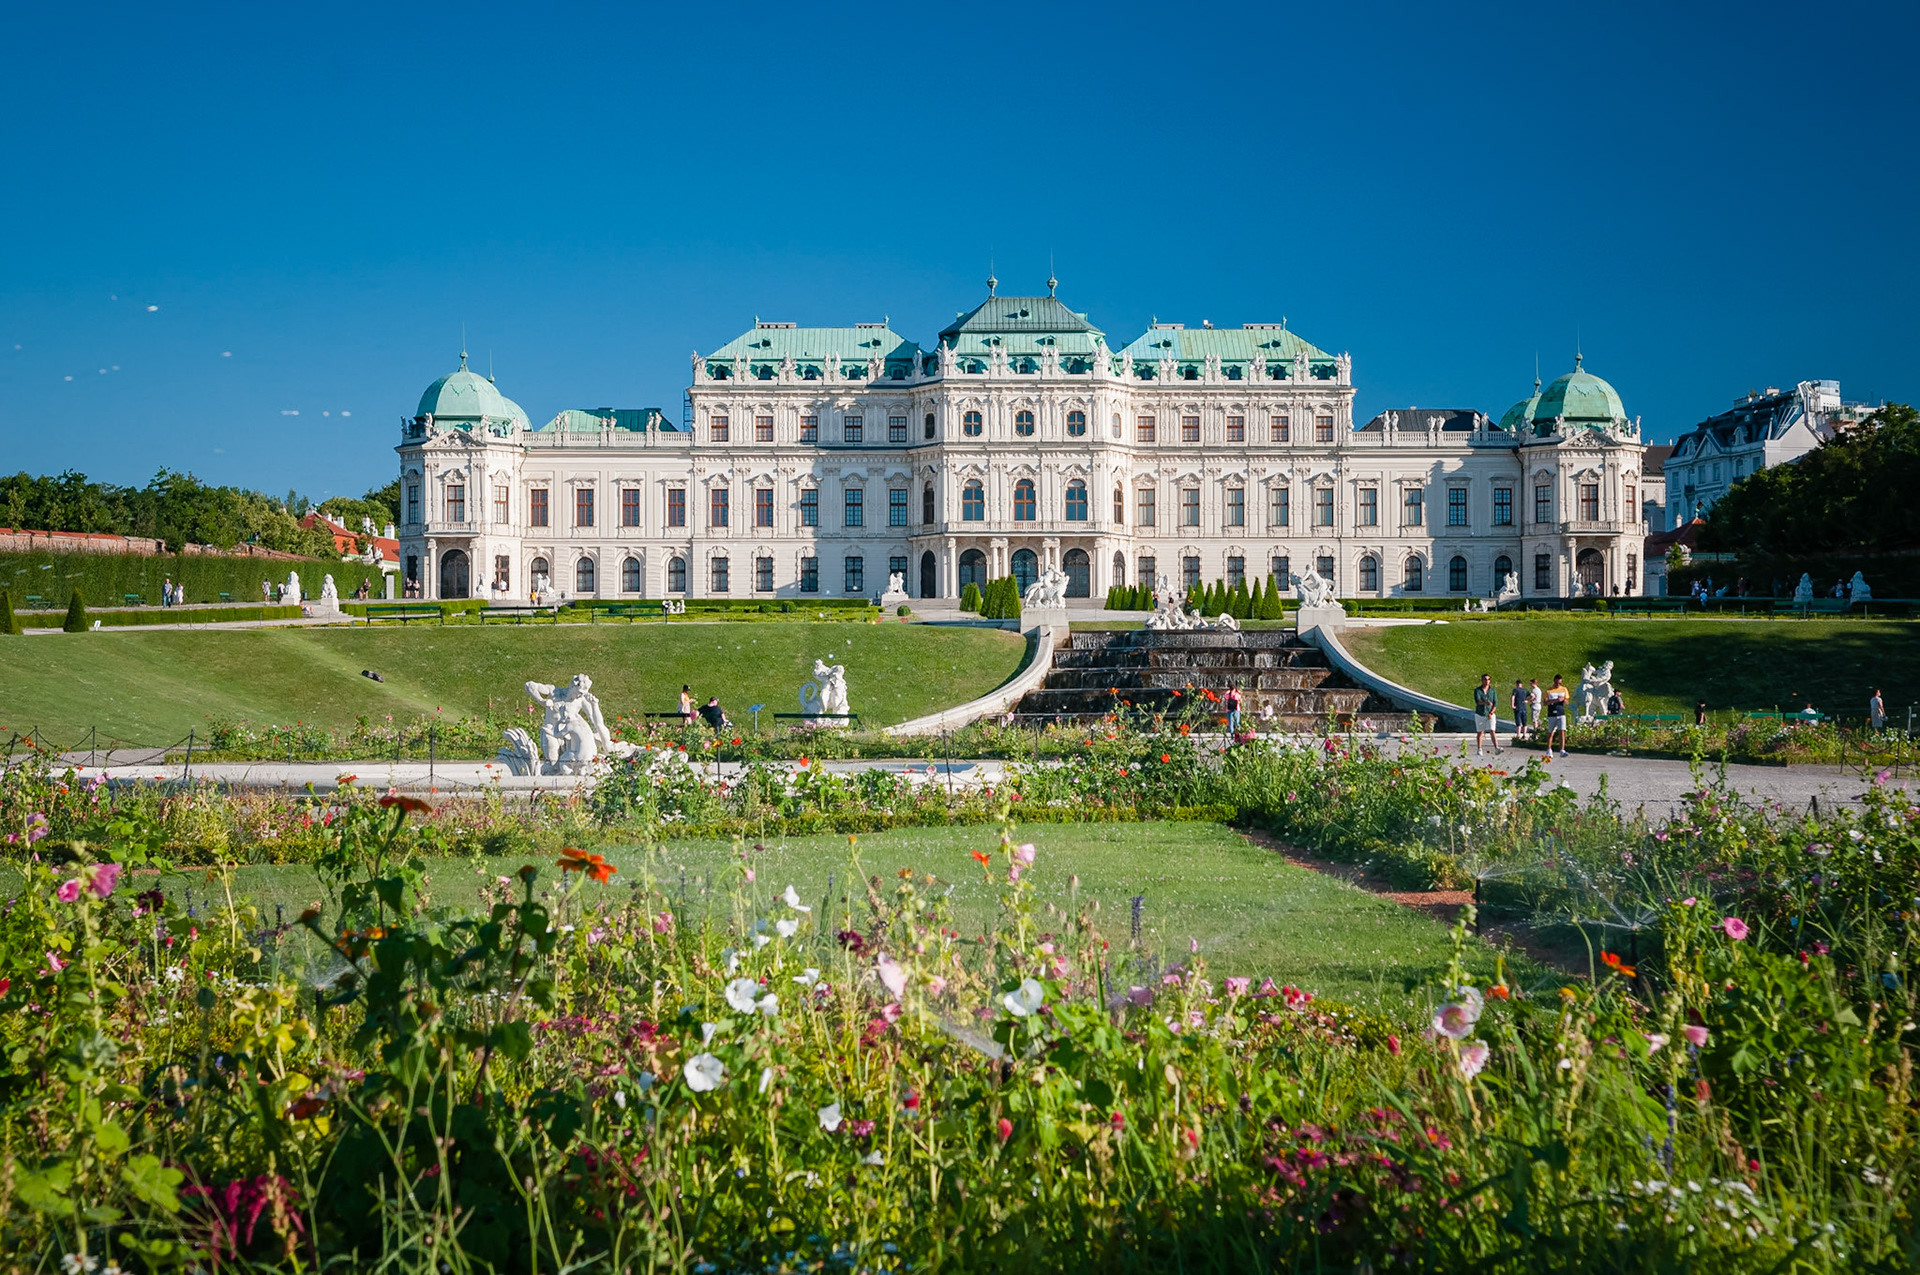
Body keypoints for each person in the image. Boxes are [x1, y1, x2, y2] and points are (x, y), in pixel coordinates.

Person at [1543, 674, 1571, 757]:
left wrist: (1563, 699)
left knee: (1562, 731)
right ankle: (1549, 749)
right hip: (1551, 713)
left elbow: (1567, 701)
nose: (1558, 684)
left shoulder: (1564, 689)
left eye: (1559, 683)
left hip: (1561, 713)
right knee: (1551, 732)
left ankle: (1562, 750)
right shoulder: (1549, 691)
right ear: (1554, 681)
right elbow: (1545, 702)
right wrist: (1555, 700)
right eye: (1557, 683)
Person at [1472, 673, 1500, 755]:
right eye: (1485, 679)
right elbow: (1478, 701)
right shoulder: (1477, 690)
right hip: (1480, 713)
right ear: (1482, 680)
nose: (1487, 681)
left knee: (1492, 730)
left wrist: (1491, 712)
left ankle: (1496, 748)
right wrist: (1485, 702)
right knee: (1480, 732)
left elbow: (1495, 703)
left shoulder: (1492, 691)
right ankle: (1479, 749)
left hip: (1490, 714)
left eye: (1488, 679)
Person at [1510, 678, 1529, 742]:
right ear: (1521, 684)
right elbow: (1533, 695)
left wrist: (1512, 705)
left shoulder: (1515, 690)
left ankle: (1518, 735)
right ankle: (1524, 735)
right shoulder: (1525, 690)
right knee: (1524, 722)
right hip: (1524, 708)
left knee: (1518, 722)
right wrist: (1528, 700)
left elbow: (1513, 697)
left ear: (1517, 684)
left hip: (1518, 708)